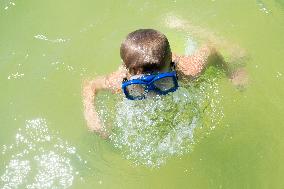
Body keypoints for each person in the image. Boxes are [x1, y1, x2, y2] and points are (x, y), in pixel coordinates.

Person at [82, 29, 224, 138]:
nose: (152, 93)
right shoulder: (118, 81)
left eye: (162, 82)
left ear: (172, 66)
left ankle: (182, 26)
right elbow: (90, 85)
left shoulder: (188, 71)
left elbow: (210, 50)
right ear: (127, 73)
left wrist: (230, 71)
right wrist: (91, 114)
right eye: (140, 84)